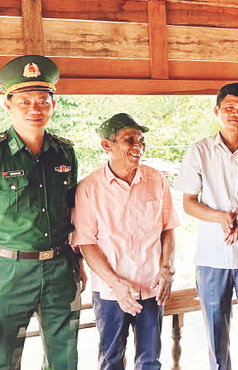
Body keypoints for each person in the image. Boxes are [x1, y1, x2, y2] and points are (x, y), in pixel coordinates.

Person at [0, 55, 82, 369]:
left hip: (61, 269)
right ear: (8, 106)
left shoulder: (64, 152)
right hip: (8, 274)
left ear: (53, 104)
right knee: (5, 358)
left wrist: (79, 261)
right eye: (24, 101)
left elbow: (72, 211)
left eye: (42, 101)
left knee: (65, 357)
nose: (34, 109)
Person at [174, 83, 238, 370]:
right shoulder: (199, 151)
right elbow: (189, 203)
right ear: (217, 110)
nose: (237, 113)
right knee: (216, 335)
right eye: (230, 108)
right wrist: (221, 216)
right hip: (211, 258)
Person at [72, 113, 178, 369]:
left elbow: (168, 229)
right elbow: (87, 244)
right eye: (129, 140)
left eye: (141, 140)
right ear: (106, 146)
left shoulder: (156, 179)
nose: (138, 146)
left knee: (150, 360)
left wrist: (166, 270)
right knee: (111, 360)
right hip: (111, 293)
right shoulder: (88, 188)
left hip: (152, 288)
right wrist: (116, 285)